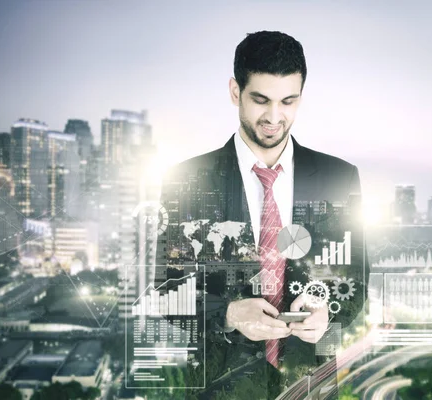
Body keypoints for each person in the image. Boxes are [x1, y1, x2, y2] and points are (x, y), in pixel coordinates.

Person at [155, 31, 368, 399]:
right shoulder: (186, 181)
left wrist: (327, 312)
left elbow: (356, 280)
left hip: (308, 384)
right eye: (260, 99)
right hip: (218, 386)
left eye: (288, 101)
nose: (274, 116)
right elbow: (164, 289)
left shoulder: (339, 178)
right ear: (235, 92)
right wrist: (228, 314)